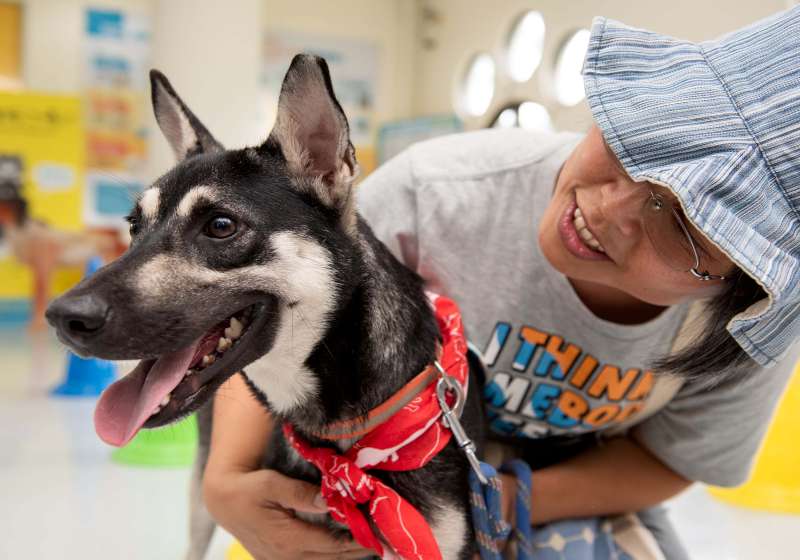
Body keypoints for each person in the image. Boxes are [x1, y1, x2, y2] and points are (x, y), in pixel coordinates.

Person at [202, 8, 800, 559]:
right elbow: (271, 313)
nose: (608, 208)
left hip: (563, 483)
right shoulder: (433, 199)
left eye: (683, 224)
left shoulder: (750, 326)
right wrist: (227, 476)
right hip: (349, 458)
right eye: (632, 143)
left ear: (747, 285)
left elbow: (674, 458)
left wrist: (499, 501)